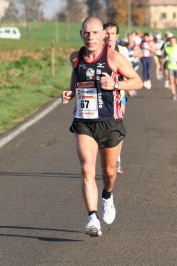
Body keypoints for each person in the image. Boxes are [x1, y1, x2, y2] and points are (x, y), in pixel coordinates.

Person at [61, 17, 143, 237]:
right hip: (84, 121)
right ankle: (92, 218)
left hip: (110, 122)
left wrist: (115, 84)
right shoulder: (75, 58)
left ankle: (107, 195)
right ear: (81, 34)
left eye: (95, 33)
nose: (91, 37)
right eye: (87, 33)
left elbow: (137, 82)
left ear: (103, 35)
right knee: (87, 168)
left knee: (108, 171)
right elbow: (76, 78)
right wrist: (71, 92)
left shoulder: (114, 57)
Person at [103, 21, 135, 175]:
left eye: (112, 34)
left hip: (118, 94)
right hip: (100, 96)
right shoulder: (97, 50)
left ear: (117, 36)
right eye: (106, 33)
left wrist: (131, 86)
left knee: (117, 124)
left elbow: (129, 71)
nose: (109, 36)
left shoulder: (122, 51)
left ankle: (117, 159)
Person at [163, 36, 177, 100]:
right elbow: (165, 56)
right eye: (171, 41)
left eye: (173, 41)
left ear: (176, 41)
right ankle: (174, 94)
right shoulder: (167, 48)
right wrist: (164, 60)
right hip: (170, 66)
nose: (172, 42)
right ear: (169, 42)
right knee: (171, 80)